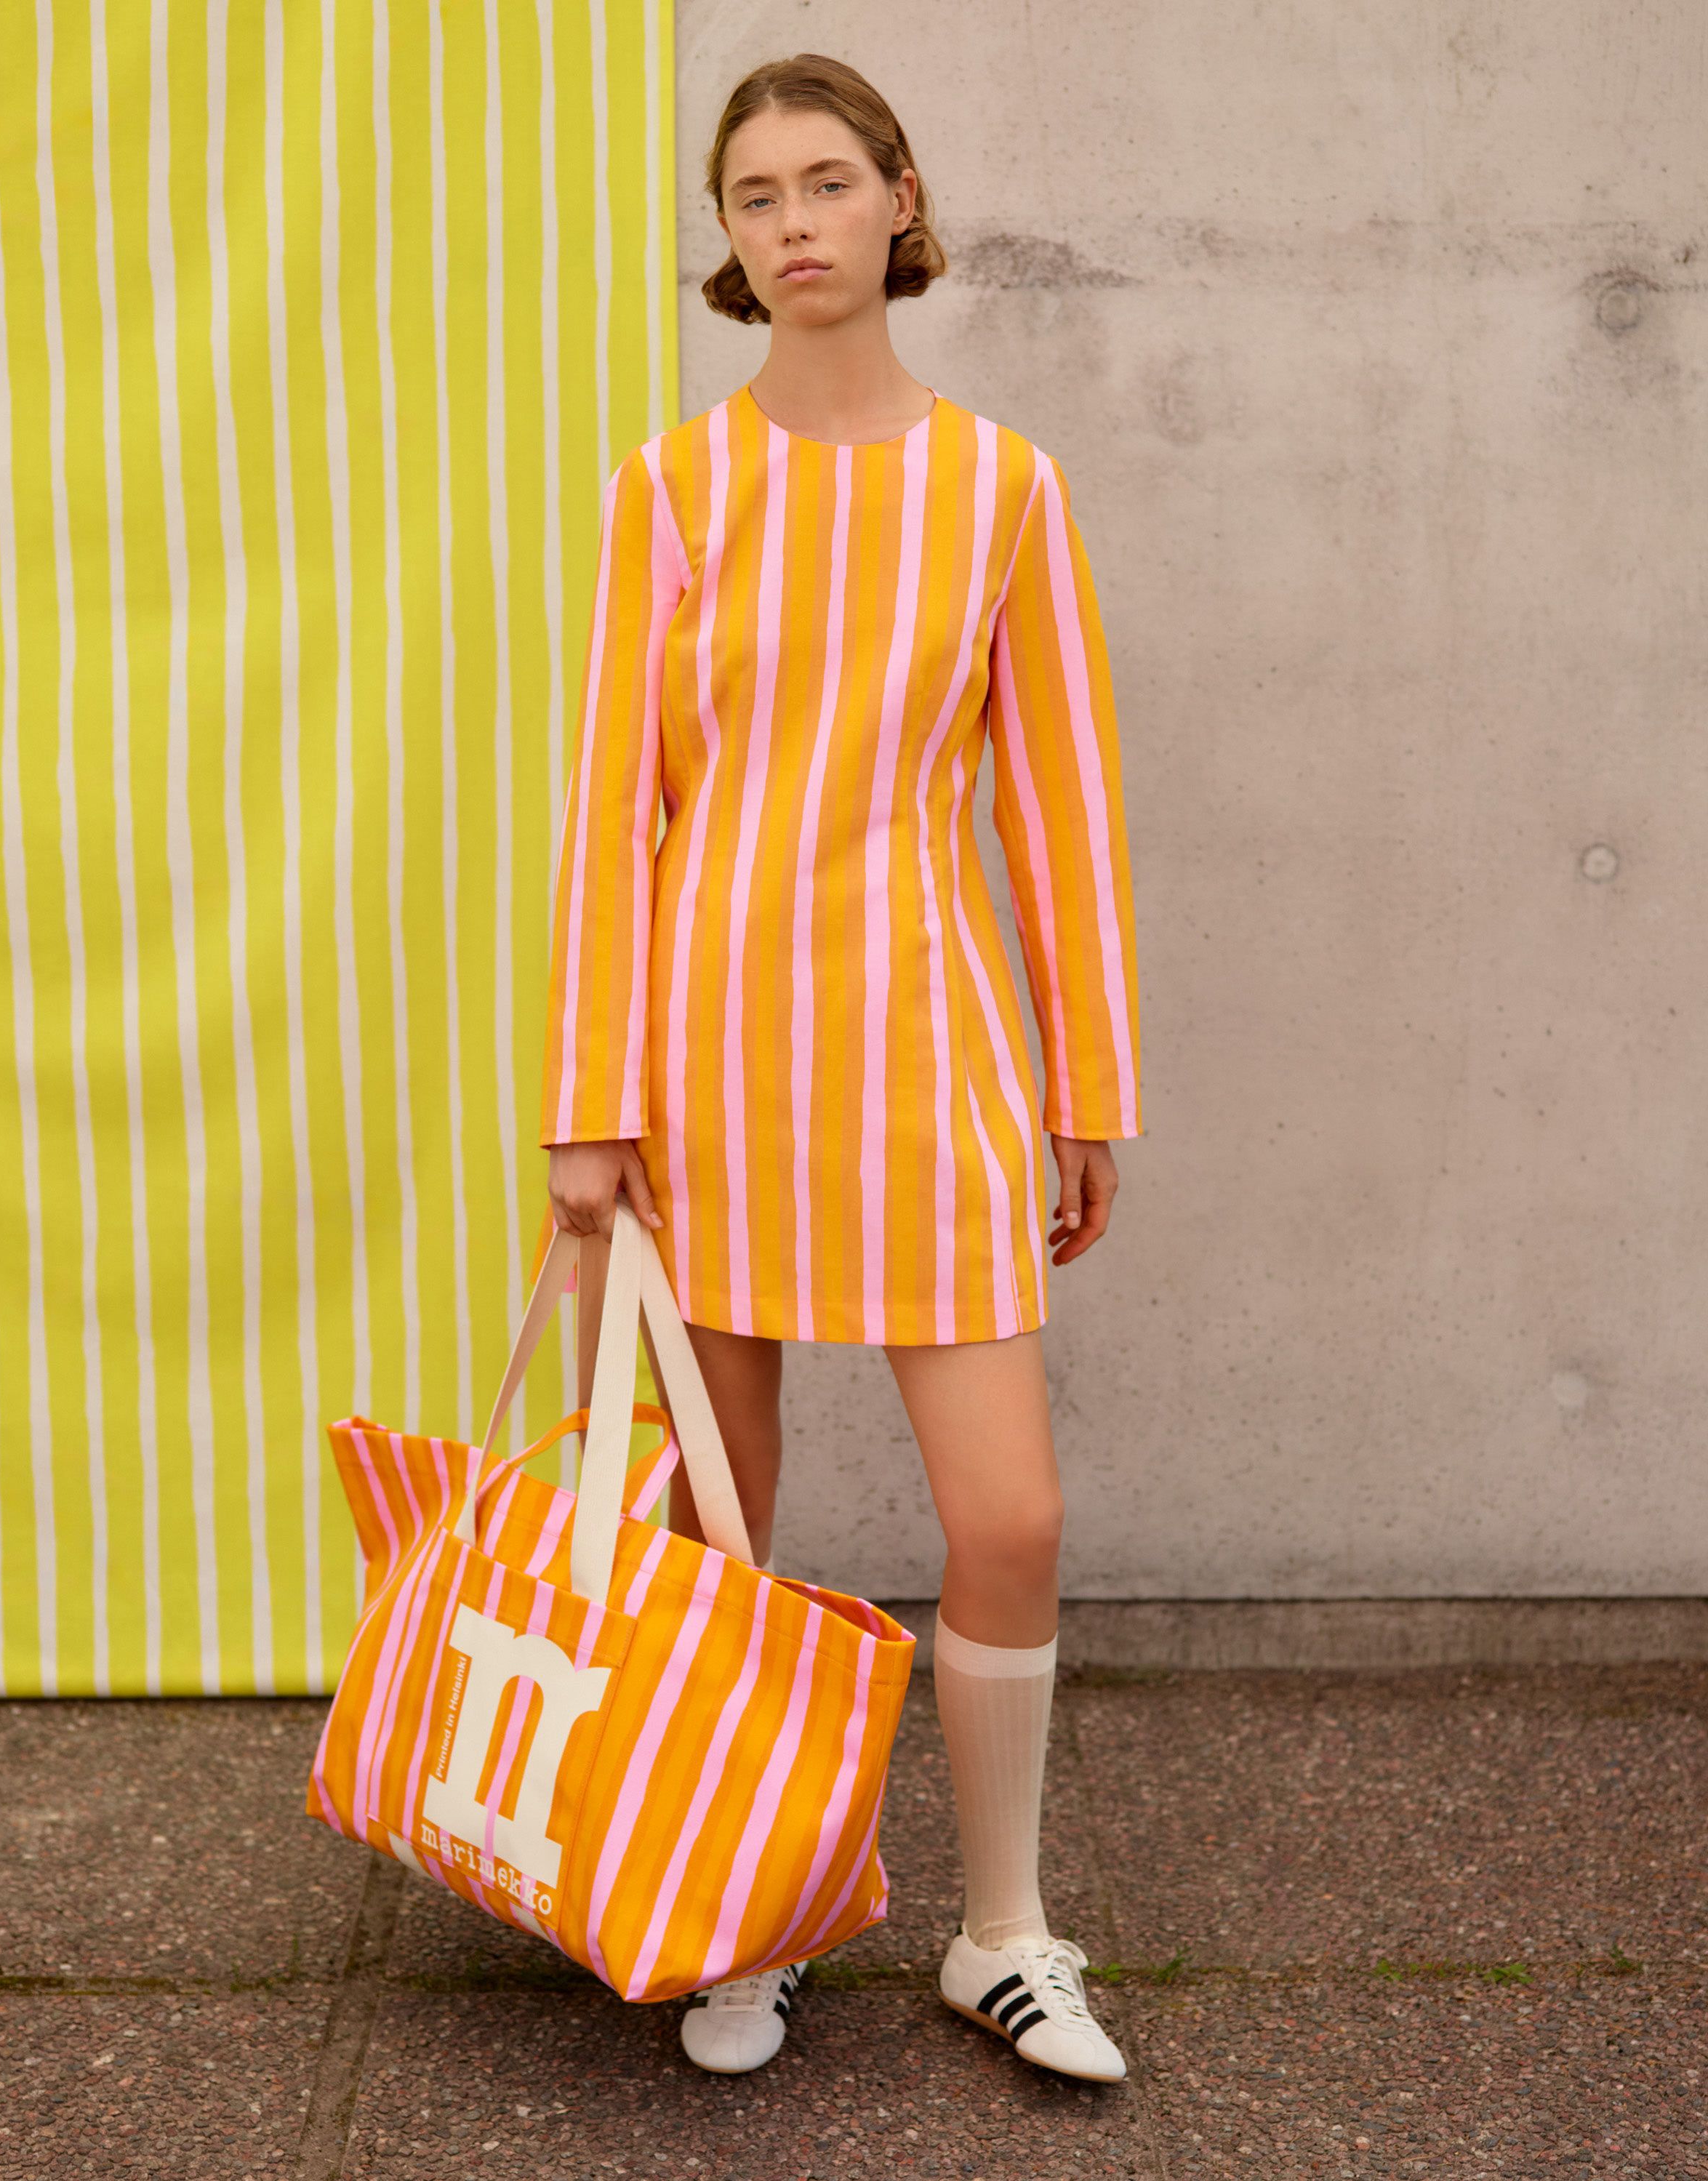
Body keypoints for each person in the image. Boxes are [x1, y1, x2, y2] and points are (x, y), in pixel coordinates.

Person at [538, 52, 1144, 2085]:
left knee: (1012, 1520)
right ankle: (749, 1916)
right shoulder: (671, 490)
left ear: (900, 201)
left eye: (824, 183)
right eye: (750, 196)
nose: (790, 223)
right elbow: (614, 814)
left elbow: (1060, 808)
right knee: (726, 1543)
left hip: (932, 1075)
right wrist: (587, 1114)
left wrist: (1088, 1086)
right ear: (729, 242)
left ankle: (1002, 1929)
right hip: (707, 1086)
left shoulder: (1003, 490)